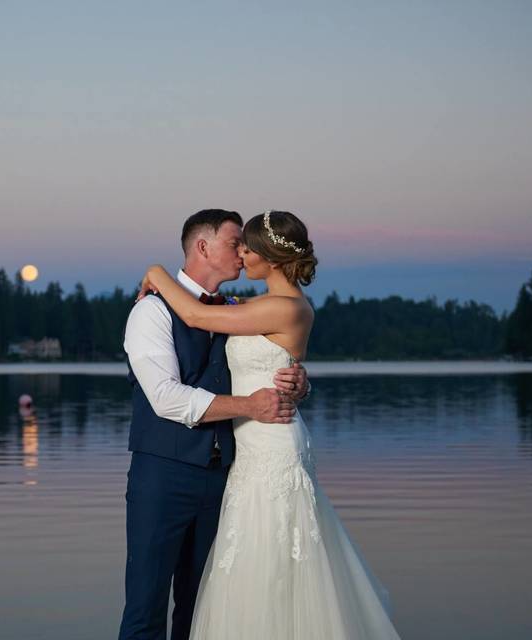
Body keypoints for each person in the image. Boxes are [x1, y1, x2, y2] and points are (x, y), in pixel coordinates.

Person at [139, 211, 401, 639]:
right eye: (237, 244)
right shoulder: (258, 305)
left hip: (274, 447)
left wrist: (155, 273)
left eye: (247, 246)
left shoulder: (286, 308)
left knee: (275, 562)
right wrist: (300, 380)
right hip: (251, 449)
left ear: (271, 257)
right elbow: (227, 324)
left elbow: (195, 317)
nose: (241, 253)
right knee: (251, 562)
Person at [118, 209, 310, 640]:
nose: (243, 252)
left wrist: (298, 379)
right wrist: (249, 406)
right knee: (146, 609)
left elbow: (271, 360)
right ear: (203, 247)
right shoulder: (151, 312)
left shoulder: (236, 312)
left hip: (229, 478)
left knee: (205, 608)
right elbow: (167, 399)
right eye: (233, 242)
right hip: (163, 478)